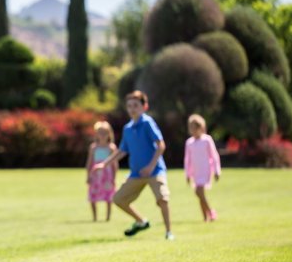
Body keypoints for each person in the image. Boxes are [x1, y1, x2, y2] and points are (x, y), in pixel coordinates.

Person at [94, 90, 174, 240]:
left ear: (144, 106)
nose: (132, 109)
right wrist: (104, 164)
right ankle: (141, 221)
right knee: (118, 199)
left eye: (135, 105)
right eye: (129, 106)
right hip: (136, 174)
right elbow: (122, 151)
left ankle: (169, 232)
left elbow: (161, 145)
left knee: (162, 199)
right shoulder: (128, 128)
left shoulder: (147, 123)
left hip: (155, 171)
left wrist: (150, 166)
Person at [184, 114, 221, 222]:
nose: (193, 131)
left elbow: (214, 155)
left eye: (195, 128)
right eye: (191, 128)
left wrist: (217, 170)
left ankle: (211, 212)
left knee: (198, 192)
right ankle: (205, 217)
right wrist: (188, 174)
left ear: (201, 128)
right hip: (196, 171)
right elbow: (188, 160)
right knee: (200, 194)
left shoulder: (207, 140)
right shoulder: (189, 142)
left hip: (206, 170)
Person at [85, 121, 117, 222]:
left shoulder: (111, 147)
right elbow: (89, 163)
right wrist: (88, 175)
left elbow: (114, 165)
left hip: (107, 175)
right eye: (100, 133)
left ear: (109, 134)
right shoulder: (93, 147)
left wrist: (114, 178)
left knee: (109, 196)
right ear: (96, 134)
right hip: (95, 175)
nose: (103, 135)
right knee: (93, 196)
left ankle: (108, 217)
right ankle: (94, 217)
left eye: (105, 133)